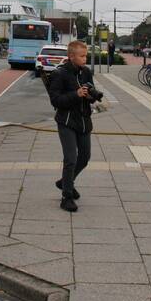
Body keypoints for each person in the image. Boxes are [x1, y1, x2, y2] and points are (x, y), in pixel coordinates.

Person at [47, 40, 103, 212]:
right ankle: (67, 196)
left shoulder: (86, 72)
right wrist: (76, 94)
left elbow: (91, 92)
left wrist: (91, 97)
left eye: (86, 55)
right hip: (66, 121)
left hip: (84, 121)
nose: (85, 59)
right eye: (82, 56)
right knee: (70, 158)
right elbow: (55, 100)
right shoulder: (59, 74)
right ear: (71, 56)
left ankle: (65, 182)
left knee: (84, 157)